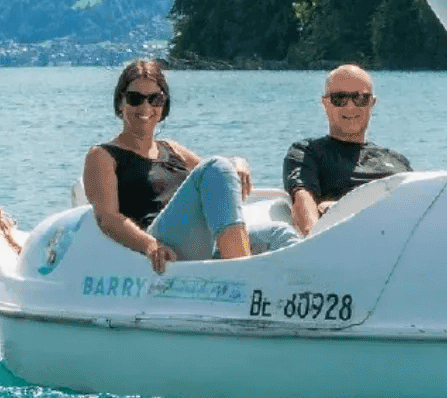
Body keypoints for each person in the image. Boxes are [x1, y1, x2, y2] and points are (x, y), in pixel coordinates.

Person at [82, 59, 256, 272]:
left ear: (163, 106)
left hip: (194, 241)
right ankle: (241, 273)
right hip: (156, 243)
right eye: (135, 98)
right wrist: (150, 245)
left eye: (155, 99)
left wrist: (239, 162)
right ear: (120, 103)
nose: (145, 107)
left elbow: (220, 181)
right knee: (216, 166)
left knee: (277, 232)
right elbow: (108, 218)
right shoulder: (103, 156)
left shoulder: (172, 149)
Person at [283, 64, 413, 237]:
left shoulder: (397, 160)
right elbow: (303, 206)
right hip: (349, 244)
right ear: (326, 103)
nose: (350, 107)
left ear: (371, 103)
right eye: (340, 98)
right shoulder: (308, 153)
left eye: (360, 98)